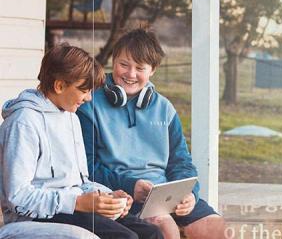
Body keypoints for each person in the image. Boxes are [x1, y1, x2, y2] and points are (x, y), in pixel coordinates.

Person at [0, 45, 163, 239]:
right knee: (125, 237)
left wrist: (107, 196)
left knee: (149, 233)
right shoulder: (23, 123)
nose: (88, 98)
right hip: (35, 217)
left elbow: (80, 182)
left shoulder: (71, 116)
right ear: (59, 86)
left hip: (71, 208)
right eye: (83, 90)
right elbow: (17, 197)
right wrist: (77, 202)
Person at [77, 29, 225, 239]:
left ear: (152, 70)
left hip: (165, 194)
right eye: (124, 64)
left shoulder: (164, 108)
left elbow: (181, 162)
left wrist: (190, 194)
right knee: (165, 228)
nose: (130, 74)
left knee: (215, 228)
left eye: (140, 68)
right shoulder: (89, 104)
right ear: (113, 61)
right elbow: (85, 167)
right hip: (122, 194)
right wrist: (130, 185)